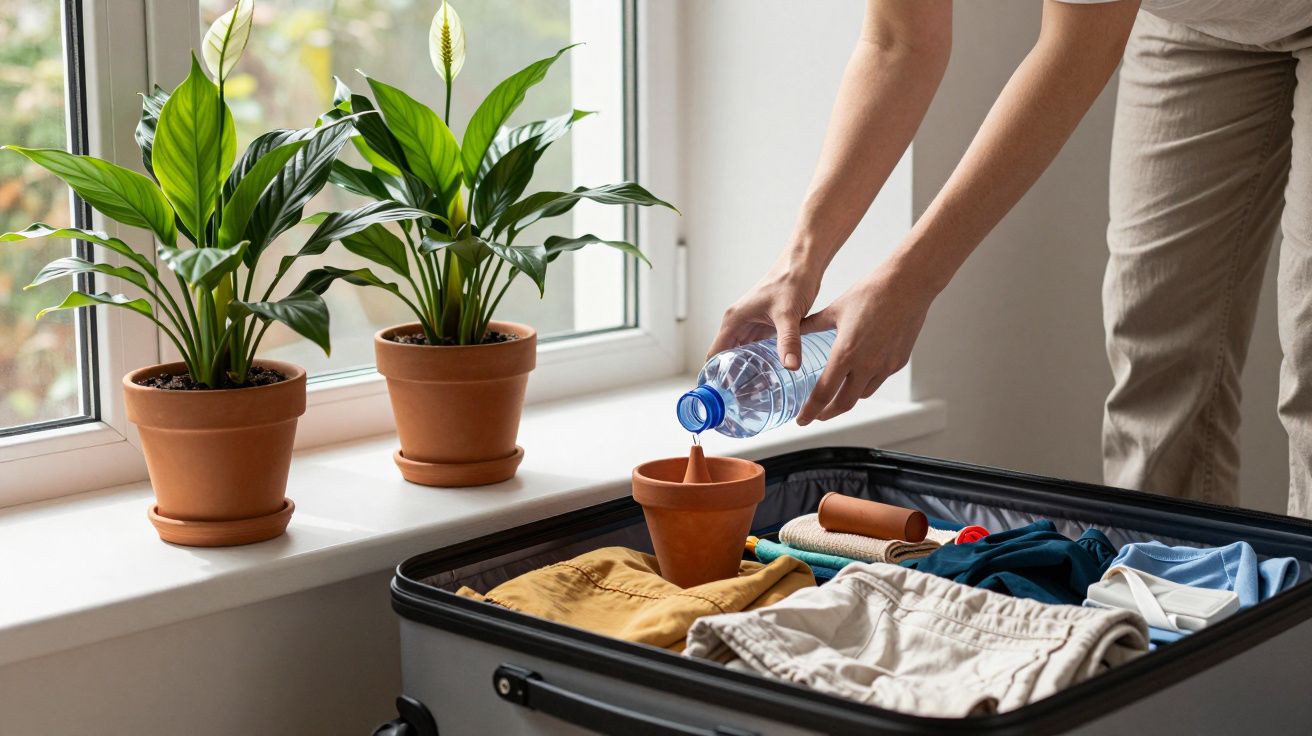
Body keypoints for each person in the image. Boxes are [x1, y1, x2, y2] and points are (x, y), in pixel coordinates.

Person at [709, 0, 1312, 515]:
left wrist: (909, 283)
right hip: (1196, 20)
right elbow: (899, 43)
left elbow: (1072, 53)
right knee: (1155, 341)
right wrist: (800, 259)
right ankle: (1178, 619)